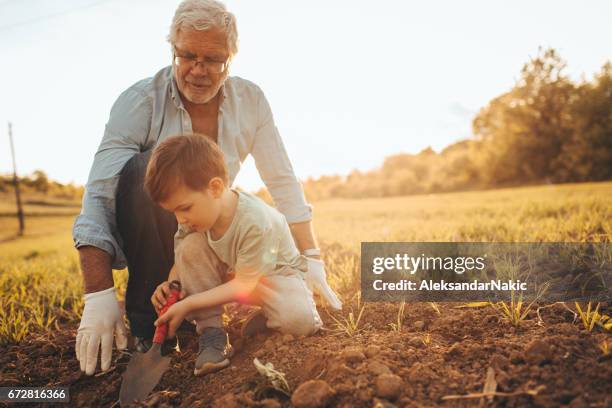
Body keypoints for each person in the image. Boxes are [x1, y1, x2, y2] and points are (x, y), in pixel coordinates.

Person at [73, 0, 341, 377]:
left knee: (290, 308)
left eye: (213, 59)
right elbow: (100, 194)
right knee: (145, 170)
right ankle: (155, 323)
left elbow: (281, 177)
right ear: (173, 50)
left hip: (220, 226)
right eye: (187, 56)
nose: (198, 71)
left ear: (230, 59)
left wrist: (311, 255)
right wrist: (98, 293)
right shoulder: (140, 102)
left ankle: (227, 302)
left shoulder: (251, 101)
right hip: (182, 227)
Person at [147, 133, 322, 375]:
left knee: (300, 323)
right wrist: (170, 285)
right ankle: (212, 333)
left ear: (215, 187)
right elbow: (183, 258)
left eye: (184, 208)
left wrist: (188, 304)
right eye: (174, 212)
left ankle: (273, 314)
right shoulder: (193, 219)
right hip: (239, 275)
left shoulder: (255, 221)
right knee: (190, 245)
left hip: (278, 277)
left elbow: (243, 286)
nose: (181, 219)